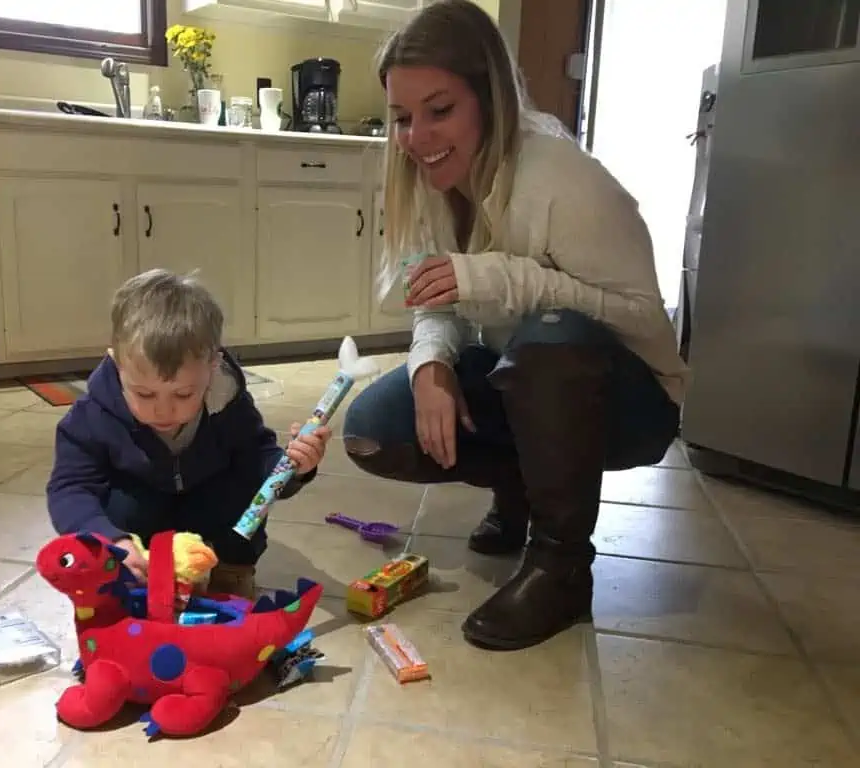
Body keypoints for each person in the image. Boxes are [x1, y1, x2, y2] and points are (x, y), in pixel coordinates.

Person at [342, 0, 690, 651]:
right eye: (402, 117)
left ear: (491, 100)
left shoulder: (563, 181)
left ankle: (561, 568)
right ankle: (520, 489)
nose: (416, 137)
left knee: (549, 342)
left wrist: (501, 278)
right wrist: (432, 367)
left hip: (632, 403)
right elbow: (437, 300)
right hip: (526, 376)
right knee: (374, 431)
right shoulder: (431, 180)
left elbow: (645, 322)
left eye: (439, 111)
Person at [46, 268, 332, 598]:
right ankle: (139, 575)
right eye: (144, 394)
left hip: (210, 512)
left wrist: (294, 466)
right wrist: (110, 540)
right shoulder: (92, 415)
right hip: (143, 527)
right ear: (116, 364)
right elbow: (69, 488)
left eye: (183, 395)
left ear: (213, 366)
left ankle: (232, 569)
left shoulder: (227, 402)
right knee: (119, 503)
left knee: (242, 491)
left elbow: (258, 460)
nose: (163, 411)